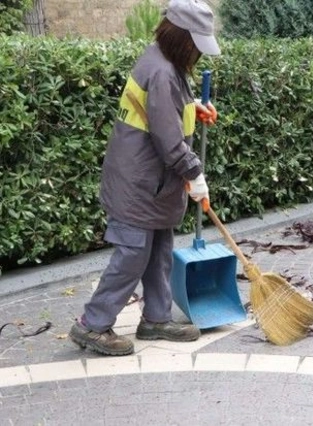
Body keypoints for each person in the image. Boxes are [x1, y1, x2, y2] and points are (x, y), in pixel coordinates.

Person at [69, 0, 220, 356]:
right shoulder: (164, 71)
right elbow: (168, 142)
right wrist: (195, 174)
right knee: (133, 255)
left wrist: (191, 107)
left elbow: (161, 109)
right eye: (196, 43)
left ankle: (156, 318)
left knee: (160, 251)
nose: (198, 52)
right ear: (182, 37)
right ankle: (93, 324)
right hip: (138, 183)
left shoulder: (161, 58)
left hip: (152, 183)